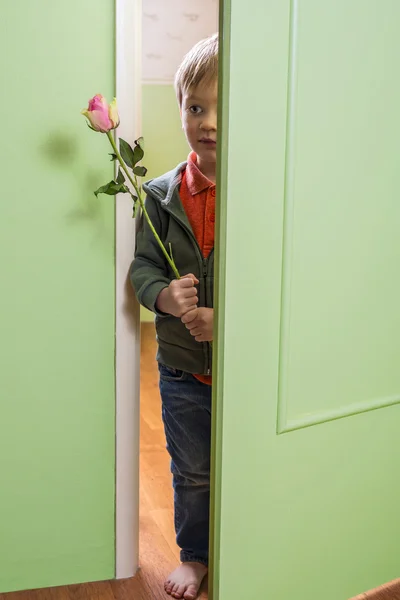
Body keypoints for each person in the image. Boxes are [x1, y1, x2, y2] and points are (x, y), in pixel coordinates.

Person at [130, 33, 218, 600]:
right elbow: (142, 267)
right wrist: (163, 297)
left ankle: (243, 540)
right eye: (195, 106)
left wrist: (226, 321)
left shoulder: (262, 193)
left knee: (245, 467)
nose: (208, 121)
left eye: (222, 107)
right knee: (191, 471)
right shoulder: (160, 195)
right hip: (183, 370)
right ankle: (195, 555)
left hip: (243, 369)